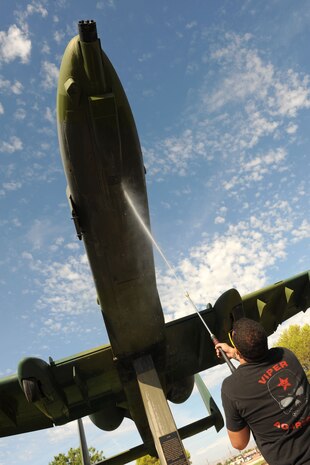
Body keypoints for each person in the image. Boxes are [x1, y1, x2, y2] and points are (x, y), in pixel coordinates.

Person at [215, 317, 310, 465]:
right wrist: (236, 353)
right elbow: (259, 360)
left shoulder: (231, 389)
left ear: (239, 350)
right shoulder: (286, 355)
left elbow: (239, 444)